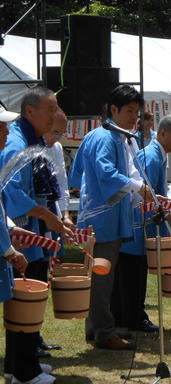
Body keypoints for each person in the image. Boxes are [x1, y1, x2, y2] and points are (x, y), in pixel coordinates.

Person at [69, 85, 158, 350]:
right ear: (114, 110)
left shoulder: (111, 136)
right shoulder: (106, 137)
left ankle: (97, 328)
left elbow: (78, 176)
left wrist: (136, 191)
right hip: (102, 219)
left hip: (103, 214)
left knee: (100, 276)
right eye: (130, 111)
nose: (135, 117)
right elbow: (106, 172)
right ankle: (104, 332)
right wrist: (136, 188)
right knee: (102, 278)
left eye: (137, 112)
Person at [0, 87, 73, 358]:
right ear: (30, 111)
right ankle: (22, 361)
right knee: (26, 293)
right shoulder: (17, 145)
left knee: (36, 284)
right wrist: (48, 217)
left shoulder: (35, 141)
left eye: (56, 109)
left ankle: (30, 350)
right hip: (22, 232)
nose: (55, 116)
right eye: (51, 110)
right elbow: (12, 193)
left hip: (36, 229)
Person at [111, 114, 171, 332]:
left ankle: (128, 316)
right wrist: (169, 215)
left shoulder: (158, 155)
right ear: (162, 133)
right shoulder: (152, 157)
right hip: (138, 224)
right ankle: (133, 317)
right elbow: (147, 194)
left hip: (142, 224)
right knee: (132, 273)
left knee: (134, 273)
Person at [0, 106, 54, 384]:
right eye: (0, 127)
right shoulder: (16, 148)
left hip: (15, 237)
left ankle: (16, 366)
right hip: (12, 247)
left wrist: (10, 228)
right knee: (20, 307)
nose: (6, 133)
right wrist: (9, 248)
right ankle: (22, 371)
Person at [43, 108, 74, 231]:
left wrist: (65, 215)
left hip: (53, 210)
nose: (57, 138)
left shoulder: (56, 147)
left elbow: (61, 183)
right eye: (55, 132)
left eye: (61, 134)